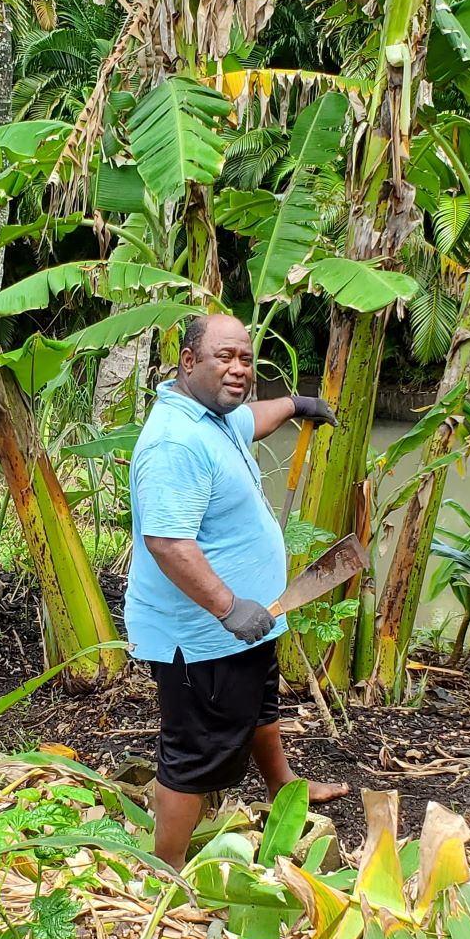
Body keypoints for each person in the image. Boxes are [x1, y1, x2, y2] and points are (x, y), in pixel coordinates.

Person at [128, 310, 352, 869]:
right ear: (188, 362)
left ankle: (284, 790)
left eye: (246, 360)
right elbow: (167, 542)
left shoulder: (215, 416)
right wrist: (228, 608)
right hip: (201, 635)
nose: (238, 369)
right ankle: (167, 875)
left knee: (258, 708)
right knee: (195, 752)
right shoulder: (176, 442)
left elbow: (255, 417)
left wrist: (298, 404)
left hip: (252, 621)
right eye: (224, 357)